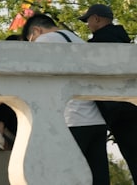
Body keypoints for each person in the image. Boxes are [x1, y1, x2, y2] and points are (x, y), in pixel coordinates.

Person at [25, 13, 109, 185]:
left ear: (36, 30)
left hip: (72, 119)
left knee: (64, 176)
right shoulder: (78, 40)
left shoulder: (44, 41)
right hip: (96, 120)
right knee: (98, 176)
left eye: (30, 40)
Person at [79, 4, 137, 178]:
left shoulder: (97, 44)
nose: (87, 24)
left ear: (97, 18)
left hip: (119, 112)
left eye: (88, 20)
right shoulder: (124, 40)